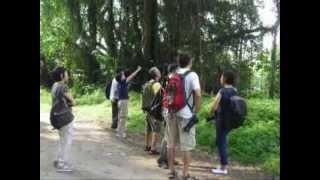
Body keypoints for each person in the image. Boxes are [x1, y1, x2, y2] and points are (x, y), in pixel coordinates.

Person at [167, 53, 201, 180]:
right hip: (186, 115)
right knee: (186, 146)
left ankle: (171, 171)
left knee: (171, 143)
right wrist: (196, 110)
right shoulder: (192, 75)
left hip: (171, 113)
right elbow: (198, 94)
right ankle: (185, 174)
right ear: (190, 62)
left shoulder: (173, 75)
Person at [209, 70, 237, 175]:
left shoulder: (222, 91)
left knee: (221, 143)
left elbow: (215, 105)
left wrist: (211, 112)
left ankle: (223, 167)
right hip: (230, 121)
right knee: (223, 141)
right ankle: (223, 165)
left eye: (221, 77)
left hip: (221, 120)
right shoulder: (234, 90)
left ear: (225, 79)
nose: (220, 78)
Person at [51, 67, 76, 173]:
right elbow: (73, 101)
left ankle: (59, 160)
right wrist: (72, 101)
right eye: (66, 73)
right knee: (67, 141)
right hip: (65, 118)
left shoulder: (54, 86)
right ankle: (62, 164)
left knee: (62, 140)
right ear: (62, 76)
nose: (68, 75)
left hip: (57, 117)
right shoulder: (63, 86)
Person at [157, 63, 178, 169]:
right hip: (169, 110)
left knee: (170, 135)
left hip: (167, 109)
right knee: (168, 136)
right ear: (174, 70)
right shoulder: (171, 80)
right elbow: (170, 98)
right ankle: (163, 159)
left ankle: (169, 158)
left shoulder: (168, 79)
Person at [116, 66, 142, 139]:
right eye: (123, 75)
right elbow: (132, 76)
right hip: (123, 102)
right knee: (123, 117)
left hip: (120, 101)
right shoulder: (123, 82)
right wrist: (138, 70)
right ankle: (121, 133)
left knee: (120, 117)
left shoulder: (119, 84)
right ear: (121, 78)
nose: (124, 75)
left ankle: (119, 131)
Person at [143, 67, 162, 155]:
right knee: (156, 129)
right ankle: (153, 148)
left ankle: (147, 145)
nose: (160, 72)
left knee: (148, 129)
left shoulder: (147, 84)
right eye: (158, 71)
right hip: (154, 110)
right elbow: (161, 96)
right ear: (156, 75)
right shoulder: (156, 84)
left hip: (147, 110)